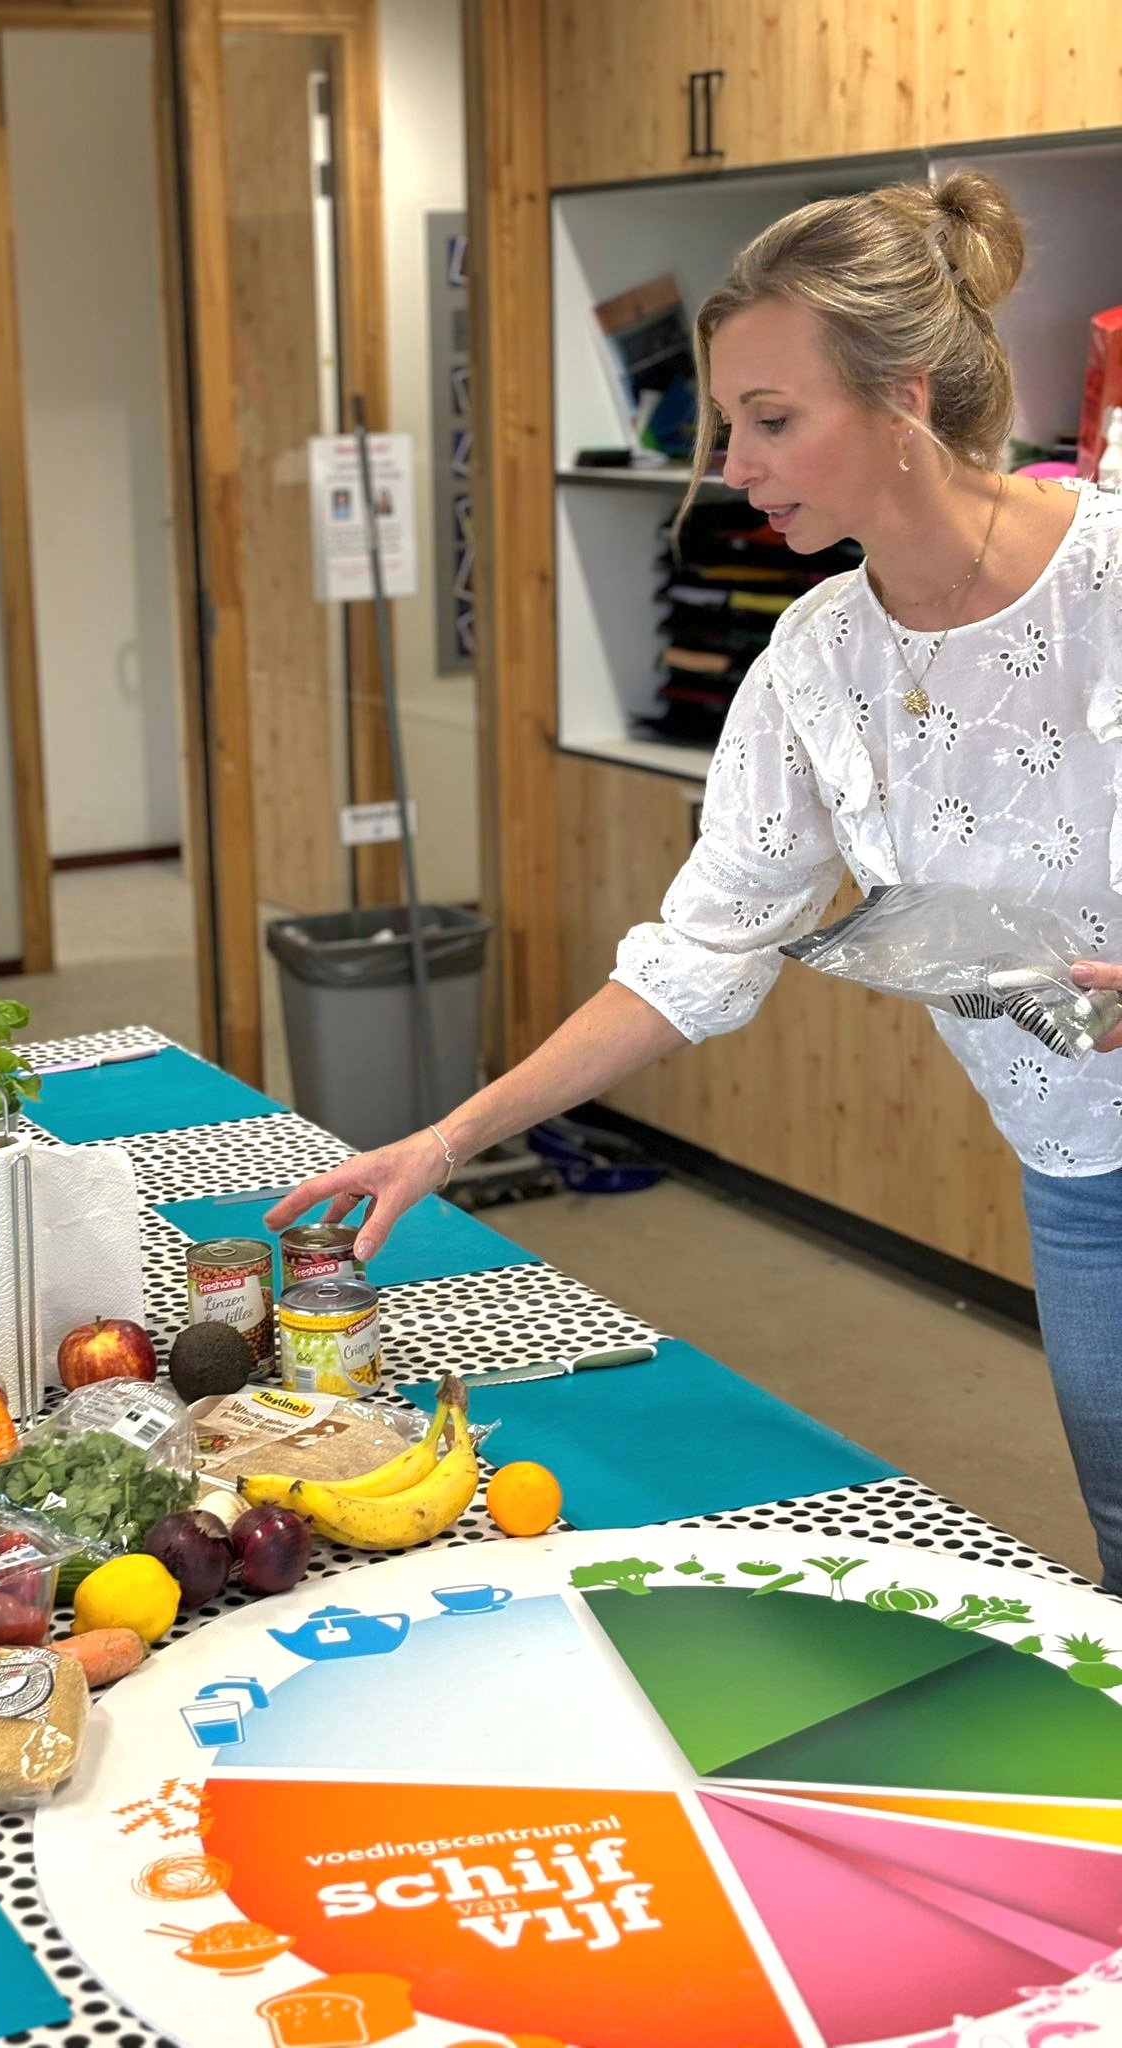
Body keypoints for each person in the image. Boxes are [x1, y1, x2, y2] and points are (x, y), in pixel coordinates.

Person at [268, 170, 1122, 1596]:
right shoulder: (820, 661)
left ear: (904, 399)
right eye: (733, 420)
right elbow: (696, 951)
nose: (733, 461)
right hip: (1080, 1167)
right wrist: (449, 1134)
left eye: (772, 419)